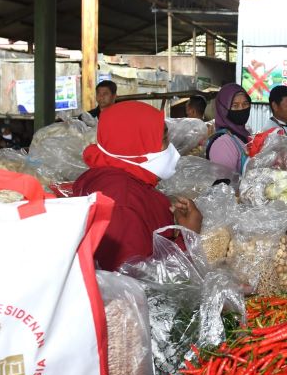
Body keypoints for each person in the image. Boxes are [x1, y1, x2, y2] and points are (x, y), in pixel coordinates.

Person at [73, 101, 201, 271]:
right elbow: (139, 286)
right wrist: (188, 236)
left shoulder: (115, 178)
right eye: (163, 139)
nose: (170, 148)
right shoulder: (121, 203)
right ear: (134, 144)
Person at [205, 83, 251, 174]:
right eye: (235, 105)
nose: (241, 109)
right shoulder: (223, 143)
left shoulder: (243, 135)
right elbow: (225, 185)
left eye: (245, 104)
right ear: (223, 109)